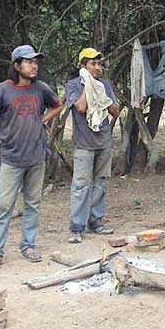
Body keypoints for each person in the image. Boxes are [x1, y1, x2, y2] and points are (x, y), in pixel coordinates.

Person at [0, 45, 63, 269]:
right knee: (3, 206)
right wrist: (3, 137)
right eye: (28, 62)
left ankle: (28, 245)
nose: (34, 65)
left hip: (37, 156)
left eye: (36, 62)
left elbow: (57, 106)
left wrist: (42, 120)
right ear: (16, 66)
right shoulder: (0, 91)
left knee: (33, 204)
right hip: (12, 158)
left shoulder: (41, 88)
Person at [63, 47, 120, 243]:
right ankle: (76, 227)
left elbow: (115, 111)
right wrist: (89, 84)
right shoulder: (73, 85)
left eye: (99, 63)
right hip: (84, 145)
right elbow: (80, 107)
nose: (97, 67)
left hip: (103, 141)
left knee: (101, 183)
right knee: (80, 186)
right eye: (93, 64)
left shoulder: (104, 85)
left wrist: (102, 94)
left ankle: (96, 221)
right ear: (82, 66)